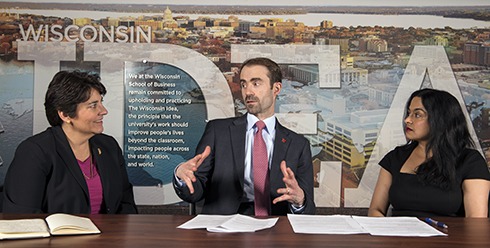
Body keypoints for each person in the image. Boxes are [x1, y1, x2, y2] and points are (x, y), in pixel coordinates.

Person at [173, 57, 315, 216]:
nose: (248, 91)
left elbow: (308, 209)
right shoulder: (217, 132)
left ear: (276, 88)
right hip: (223, 229)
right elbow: (194, 192)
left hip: (276, 228)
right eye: (243, 84)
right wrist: (181, 176)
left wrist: (299, 200)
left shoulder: (298, 145)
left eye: (256, 83)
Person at [3, 70, 138, 214]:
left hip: (110, 236)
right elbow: (21, 218)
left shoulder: (109, 146)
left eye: (101, 102)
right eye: (93, 105)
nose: (103, 111)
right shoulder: (34, 152)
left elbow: (126, 205)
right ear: (65, 114)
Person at [368, 88, 490, 217]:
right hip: (397, 235)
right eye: (408, 113)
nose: (407, 120)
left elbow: (476, 221)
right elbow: (375, 210)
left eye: (417, 115)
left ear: (440, 119)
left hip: (449, 236)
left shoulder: (470, 161)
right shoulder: (395, 157)